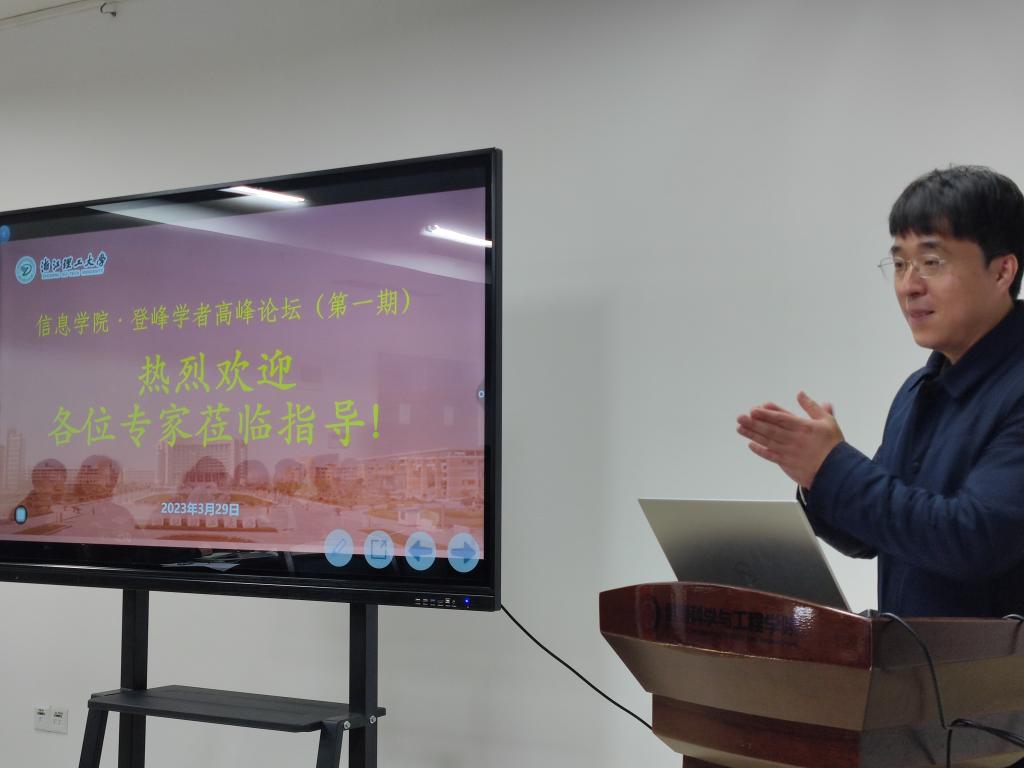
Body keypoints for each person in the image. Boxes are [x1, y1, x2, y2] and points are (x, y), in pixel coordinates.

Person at [737, 165, 1024, 618]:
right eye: (900, 263)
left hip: (998, 665)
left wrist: (834, 469)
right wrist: (816, 476)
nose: (909, 286)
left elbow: (975, 538)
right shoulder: (920, 388)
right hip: (912, 661)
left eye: (932, 262)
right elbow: (873, 534)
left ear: (1002, 270)